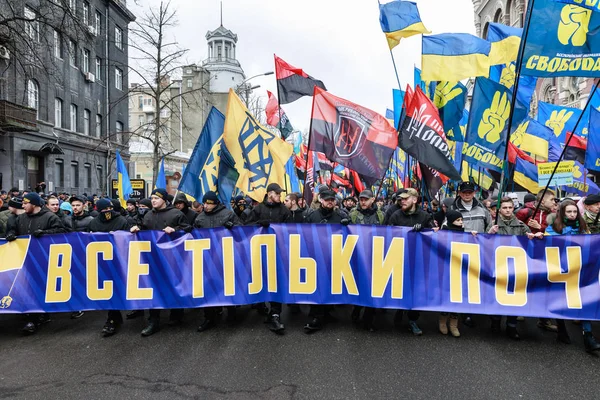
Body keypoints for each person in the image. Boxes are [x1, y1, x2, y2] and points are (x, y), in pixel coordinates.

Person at [130, 188, 192, 336]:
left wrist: (176, 230)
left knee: (174, 285)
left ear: (164, 200)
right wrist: (137, 229)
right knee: (153, 289)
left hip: (173, 258)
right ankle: (153, 321)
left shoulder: (176, 214)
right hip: (153, 258)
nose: (153, 201)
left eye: (156, 198)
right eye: (151, 198)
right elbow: (144, 229)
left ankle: (177, 314)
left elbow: (189, 230)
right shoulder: (148, 215)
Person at [5, 193, 66, 334]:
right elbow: (13, 230)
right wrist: (11, 234)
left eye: (26, 203)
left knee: (39, 288)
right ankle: (32, 317)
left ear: (34, 204)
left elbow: (62, 232)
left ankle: (39, 316)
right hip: (26, 261)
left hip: (44, 260)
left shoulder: (50, 217)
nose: (23, 206)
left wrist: (45, 233)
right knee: (28, 288)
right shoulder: (20, 218)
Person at [546, 199, 600, 353]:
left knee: (583, 301)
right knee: (559, 300)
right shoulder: (552, 229)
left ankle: (588, 337)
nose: (572, 214)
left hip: (579, 271)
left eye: (575, 211)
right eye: (569, 212)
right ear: (562, 213)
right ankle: (562, 329)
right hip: (560, 271)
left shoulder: (583, 229)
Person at [487, 197, 543, 340]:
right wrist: (489, 233)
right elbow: (483, 243)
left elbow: (530, 239)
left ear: (513, 208)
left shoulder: (520, 225)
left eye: (510, 208)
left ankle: (511, 326)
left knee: (513, 297)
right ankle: (495, 322)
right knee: (498, 295)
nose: (507, 210)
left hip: (516, 267)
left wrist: (534, 234)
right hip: (498, 266)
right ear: (499, 210)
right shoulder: (493, 225)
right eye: (504, 208)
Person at [245, 183, 291, 334]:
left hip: (278, 253)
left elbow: (291, 230)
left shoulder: (284, 211)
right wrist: (258, 224)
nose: (280, 196)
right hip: (260, 252)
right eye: (278, 194)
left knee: (275, 283)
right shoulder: (258, 209)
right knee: (260, 280)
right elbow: (246, 226)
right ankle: (261, 306)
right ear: (270, 194)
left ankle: (276, 313)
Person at [388, 188, 434, 335]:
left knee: (417, 290)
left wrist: (425, 230)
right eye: (401, 199)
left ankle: (412, 319)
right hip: (400, 258)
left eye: (406, 199)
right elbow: (386, 233)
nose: (402, 201)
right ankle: (400, 309)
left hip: (419, 260)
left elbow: (435, 234)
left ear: (414, 200)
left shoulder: (425, 216)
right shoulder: (395, 215)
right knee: (401, 287)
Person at [193, 191, 241, 332]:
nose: (206, 206)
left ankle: (231, 313)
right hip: (207, 258)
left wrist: (233, 227)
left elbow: (242, 232)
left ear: (215, 203)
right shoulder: (200, 218)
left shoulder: (228, 214)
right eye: (205, 203)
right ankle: (209, 317)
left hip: (225, 256)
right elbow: (194, 235)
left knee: (228, 285)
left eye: (209, 203)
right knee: (208, 287)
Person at [303, 189, 349, 333]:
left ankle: (326, 312)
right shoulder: (312, 216)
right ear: (321, 200)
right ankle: (317, 316)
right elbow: (303, 234)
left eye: (332, 199)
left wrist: (348, 226)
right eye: (327, 199)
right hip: (316, 258)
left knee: (330, 285)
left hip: (334, 258)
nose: (330, 202)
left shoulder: (340, 216)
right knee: (318, 286)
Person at [88, 198, 131, 336]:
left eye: (109, 209)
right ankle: (113, 317)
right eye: (105, 210)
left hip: (119, 260)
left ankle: (113, 318)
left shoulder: (122, 221)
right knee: (107, 291)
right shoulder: (94, 223)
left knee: (117, 289)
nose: (108, 212)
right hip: (102, 261)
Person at [348, 189, 385, 331]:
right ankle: (356, 309)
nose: (363, 202)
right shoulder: (352, 214)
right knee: (358, 286)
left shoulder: (381, 215)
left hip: (375, 256)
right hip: (357, 255)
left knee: (372, 288)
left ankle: (368, 320)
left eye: (366, 199)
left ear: (372, 200)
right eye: (361, 199)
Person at [439, 210, 466, 337]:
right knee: (447, 296)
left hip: (460, 269)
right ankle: (443, 322)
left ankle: (453, 324)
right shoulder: (443, 232)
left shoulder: (465, 233)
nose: (461, 223)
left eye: (461, 220)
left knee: (457, 297)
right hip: (446, 268)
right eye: (458, 220)